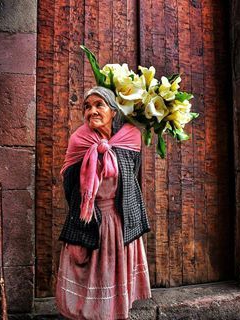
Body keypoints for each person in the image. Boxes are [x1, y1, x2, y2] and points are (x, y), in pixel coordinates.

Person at [55, 86, 151, 320]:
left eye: (99, 105)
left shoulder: (130, 138)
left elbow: (131, 176)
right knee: (90, 279)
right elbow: (69, 183)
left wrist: (122, 207)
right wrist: (87, 211)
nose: (92, 111)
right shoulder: (80, 139)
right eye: (87, 107)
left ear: (113, 111)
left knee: (113, 278)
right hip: (90, 217)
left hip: (120, 220)